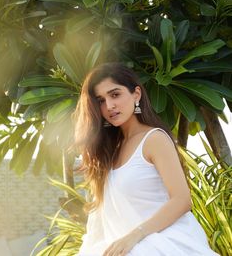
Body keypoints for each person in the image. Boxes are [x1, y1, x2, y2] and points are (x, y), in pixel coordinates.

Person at [74, 62, 218, 256]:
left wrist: (135, 236)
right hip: (125, 246)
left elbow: (182, 200)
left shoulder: (154, 139)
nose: (109, 106)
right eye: (100, 100)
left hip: (164, 244)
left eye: (115, 94)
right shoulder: (110, 151)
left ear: (136, 95)